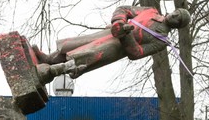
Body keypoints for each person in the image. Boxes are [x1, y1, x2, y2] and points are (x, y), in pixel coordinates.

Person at [31, 5, 191, 82]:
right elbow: (124, 9)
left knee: (83, 57)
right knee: (73, 45)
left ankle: (49, 73)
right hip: (109, 33)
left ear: (178, 25)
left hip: (115, 48)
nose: (175, 16)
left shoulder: (161, 40)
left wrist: (126, 35)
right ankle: (47, 59)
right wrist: (119, 22)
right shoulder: (150, 11)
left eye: (179, 18)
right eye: (177, 12)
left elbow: (137, 53)